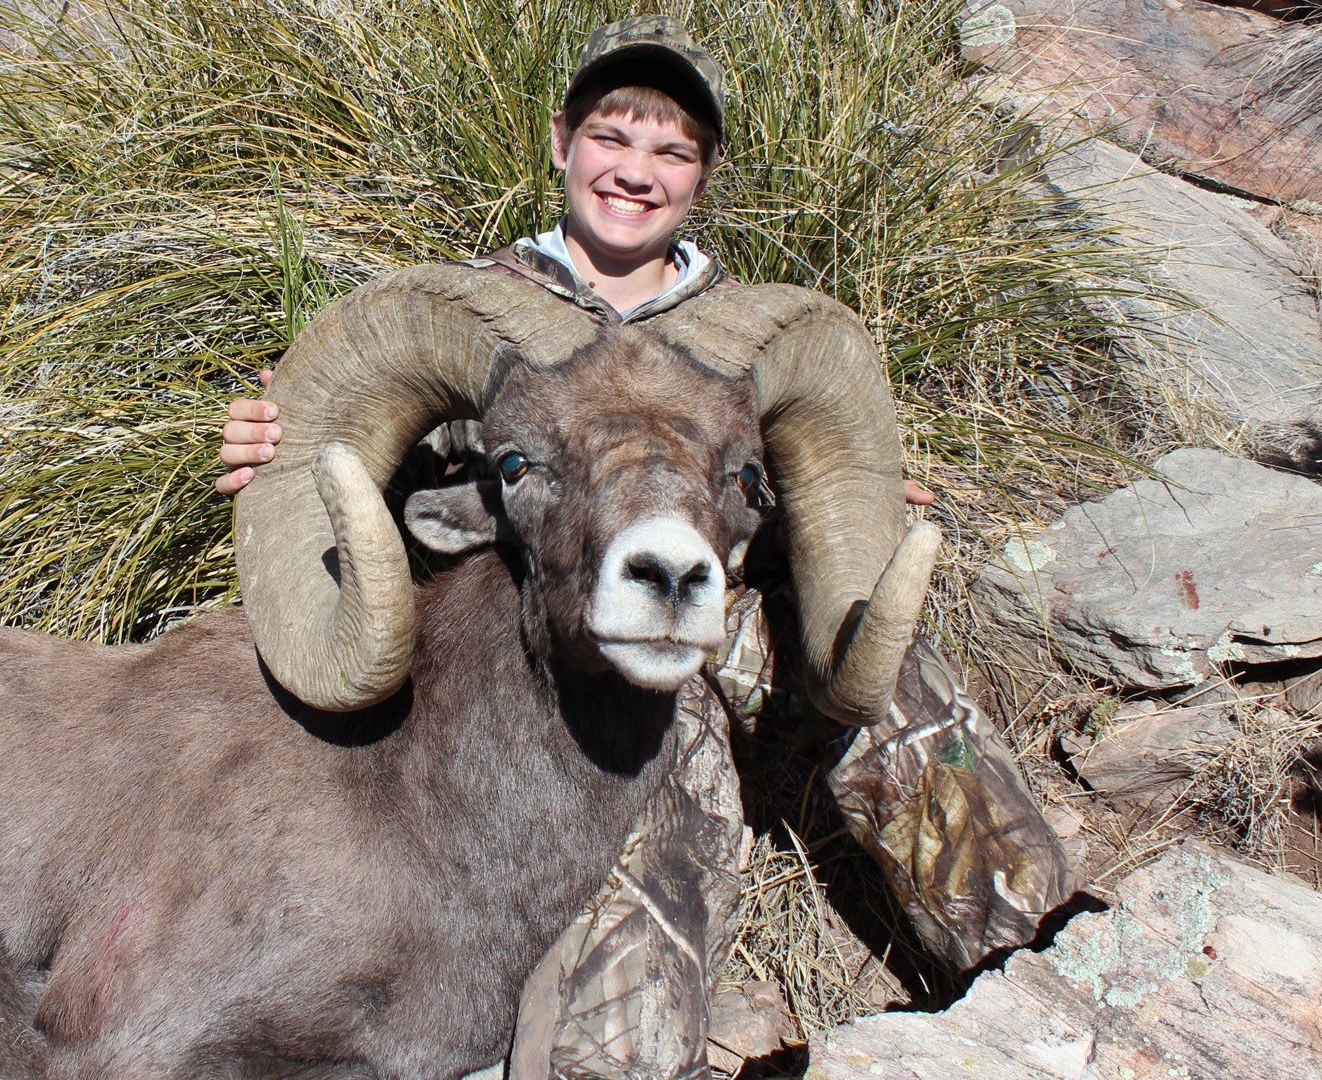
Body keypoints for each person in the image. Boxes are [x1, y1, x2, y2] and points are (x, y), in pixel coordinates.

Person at [218, 17, 1071, 1077]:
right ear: (562, 142)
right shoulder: (475, 313)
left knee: (891, 667)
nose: (635, 171)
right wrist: (286, 446)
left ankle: (1054, 961)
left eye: (672, 152)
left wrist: (840, 504)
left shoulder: (744, 332)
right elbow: (360, 479)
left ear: (704, 175)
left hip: (726, 631)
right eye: (613, 138)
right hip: (558, 663)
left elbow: (827, 487)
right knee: (608, 1036)